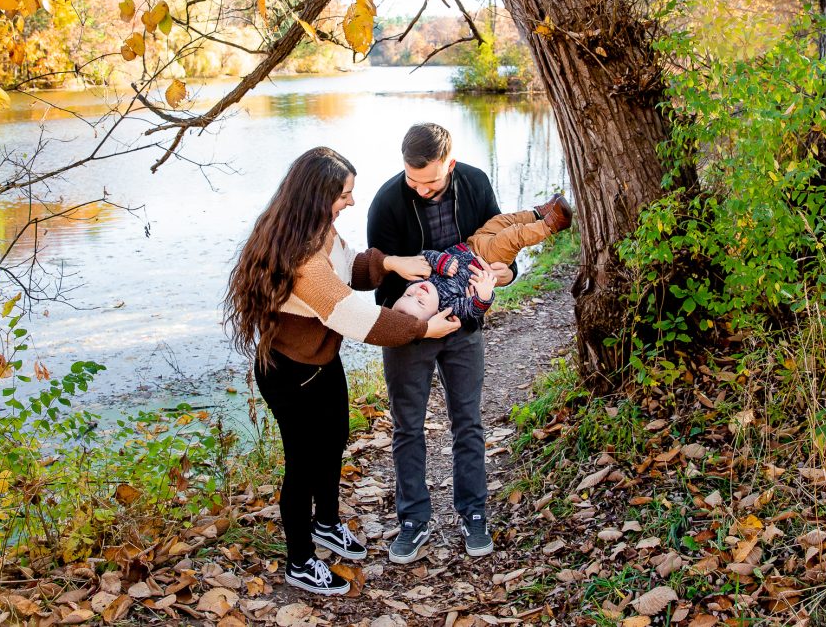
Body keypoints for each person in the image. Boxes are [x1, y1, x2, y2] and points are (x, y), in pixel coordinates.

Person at [224, 147, 461, 595]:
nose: (351, 202)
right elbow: (356, 318)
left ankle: (327, 523)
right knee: (303, 465)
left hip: (321, 362)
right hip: (291, 373)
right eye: (345, 194)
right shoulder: (301, 259)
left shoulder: (317, 228)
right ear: (319, 194)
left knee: (333, 443)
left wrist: (389, 262)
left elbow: (350, 269)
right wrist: (420, 328)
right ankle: (299, 561)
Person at [368, 123, 539, 563]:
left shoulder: (476, 183)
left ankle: (474, 513)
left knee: (468, 420)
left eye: (431, 181)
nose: (421, 189)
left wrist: (506, 275)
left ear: (451, 164)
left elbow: (499, 246)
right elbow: (381, 285)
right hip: (411, 332)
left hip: (464, 325)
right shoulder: (387, 203)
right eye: (412, 180)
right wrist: (420, 325)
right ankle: (413, 521)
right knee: (408, 427)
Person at [393, 194, 574, 322]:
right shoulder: (448, 306)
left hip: (473, 243)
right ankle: (550, 225)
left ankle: (538, 213)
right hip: (487, 260)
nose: (417, 293)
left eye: (408, 294)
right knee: (512, 236)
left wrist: (439, 260)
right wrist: (484, 292)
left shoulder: (418, 278)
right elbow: (474, 308)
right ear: (434, 315)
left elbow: (423, 255)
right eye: (420, 301)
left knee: (501, 222)